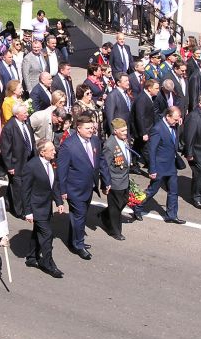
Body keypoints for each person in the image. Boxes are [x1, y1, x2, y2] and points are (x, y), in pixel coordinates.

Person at [57, 115, 111, 260]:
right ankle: (79, 245)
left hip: (89, 186)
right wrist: (62, 191)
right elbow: (62, 170)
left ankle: (72, 239)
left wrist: (106, 181)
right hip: (74, 188)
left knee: (78, 216)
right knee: (80, 215)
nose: (91, 131)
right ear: (78, 129)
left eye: (92, 128)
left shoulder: (94, 140)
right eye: (87, 129)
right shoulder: (68, 145)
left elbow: (101, 161)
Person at [133, 107, 186, 223]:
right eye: (175, 119)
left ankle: (171, 215)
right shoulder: (158, 129)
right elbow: (151, 151)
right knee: (152, 190)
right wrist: (152, 169)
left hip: (171, 165)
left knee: (173, 191)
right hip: (160, 166)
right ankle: (138, 206)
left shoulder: (175, 126)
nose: (177, 122)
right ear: (167, 116)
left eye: (178, 119)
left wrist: (179, 126)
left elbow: (175, 142)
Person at [22, 139, 64, 278]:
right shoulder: (31, 166)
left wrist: (59, 202)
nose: (54, 151)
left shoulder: (51, 163)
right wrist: (27, 212)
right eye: (51, 150)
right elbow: (25, 190)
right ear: (42, 152)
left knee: (37, 233)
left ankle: (31, 257)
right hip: (36, 207)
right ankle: (48, 263)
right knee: (47, 235)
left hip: (46, 206)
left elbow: (54, 184)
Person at [0, 102, 36, 219]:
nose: (27, 114)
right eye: (24, 113)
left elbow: (31, 140)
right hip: (17, 163)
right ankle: (19, 211)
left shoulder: (26, 123)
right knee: (17, 188)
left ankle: (15, 204)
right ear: (16, 114)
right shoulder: (9, 128)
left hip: (28, 160)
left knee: (26, 185)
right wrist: (9, 166)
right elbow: (6, 149)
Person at [102, 118, 134, 239]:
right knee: (115, 208)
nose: (126, 133)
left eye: (126, 130)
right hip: (115, 180)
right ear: (115, 131)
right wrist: (106, 183)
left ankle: (105, 214)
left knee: (124, 201)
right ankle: (115, 231)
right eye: (123, 131)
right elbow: (105, 166)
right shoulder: (109, 145)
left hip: (124, 178)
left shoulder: (124, 140)